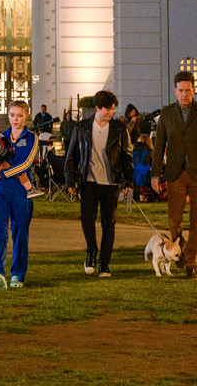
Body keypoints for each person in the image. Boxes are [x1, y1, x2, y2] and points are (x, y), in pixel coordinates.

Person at [150, 70, 197, 279]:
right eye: (180, 91)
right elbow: (158, 145)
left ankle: (191, 264)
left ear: (193, 90)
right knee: (174, 220)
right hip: (175, 173)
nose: (184, 94)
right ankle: (178, 252)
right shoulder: (167, 113)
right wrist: (156, 174)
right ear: (175, 91)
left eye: (188, 90)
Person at [65, 90, 132, 278]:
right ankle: (91, 251)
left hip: (111, 183)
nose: (111, 113)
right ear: (97, 108)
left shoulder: (119, 128)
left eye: (113, 109)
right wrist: (70, 180)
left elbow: (127, 157)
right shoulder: (83, 127)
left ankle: (105, 264)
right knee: (87, 219)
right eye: (107, 109)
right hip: (89, 182)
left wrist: (128, 183)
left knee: (108, 223)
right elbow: (71, 156)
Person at [0, 100, 38, 289]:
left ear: (26, 116)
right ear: (8, 115)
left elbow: (26, 164)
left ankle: (17, 274)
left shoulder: (31, 138)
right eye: (12, 115)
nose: (15, 119)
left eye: (20, 115)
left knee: (20, 233)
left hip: (20, 192)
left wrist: (3, 173)